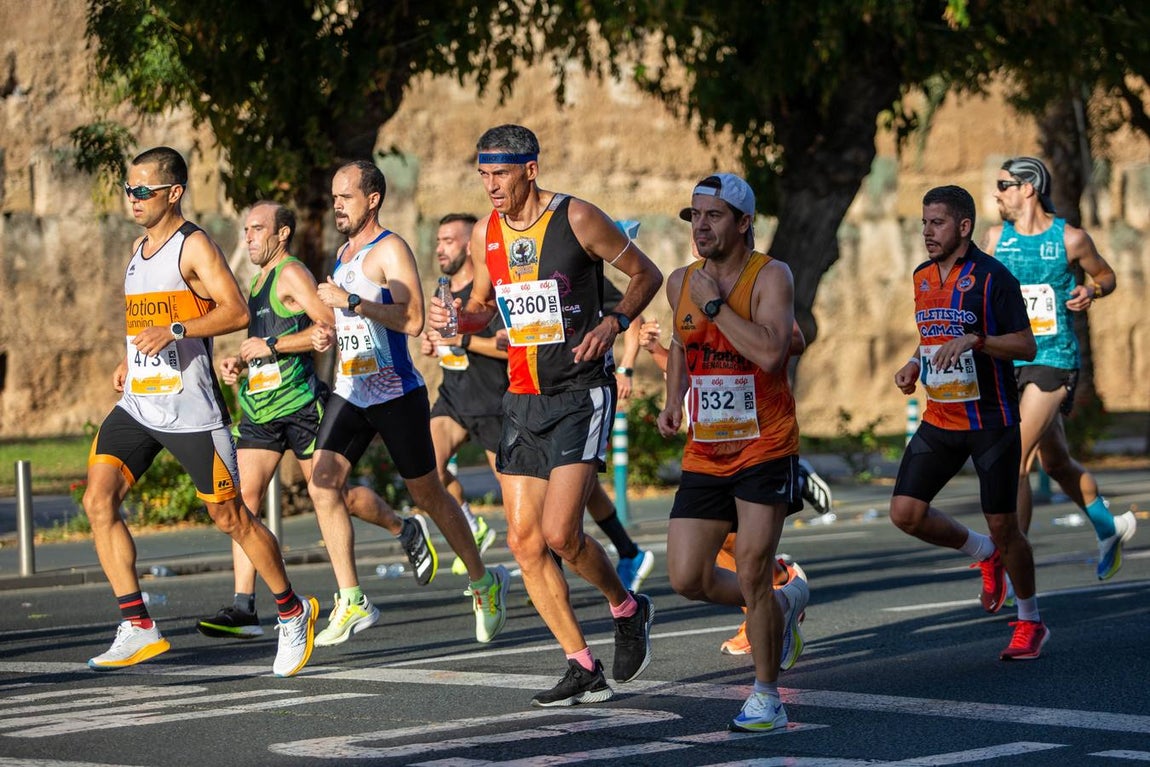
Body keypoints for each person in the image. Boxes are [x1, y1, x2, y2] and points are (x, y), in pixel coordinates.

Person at [429, 124, 662, 707]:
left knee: (562, 534)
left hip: (581, 391)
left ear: (530, 169)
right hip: (521, 395)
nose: (491, 186)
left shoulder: (579, 218)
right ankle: (581, 664)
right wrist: (460, 318)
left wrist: (615, 323)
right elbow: (484, 305)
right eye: (483, 175)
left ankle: (628, 607)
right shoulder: (487, 233)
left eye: (500, 174)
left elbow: (646, 274)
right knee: (524, 543)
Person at [82, 146, 317, 677]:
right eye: (129, 188)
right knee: (99, 501)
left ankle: (291, 610)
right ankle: (138, 626)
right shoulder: (139, 250)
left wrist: (179, 330)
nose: (133, 198)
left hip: (191, 413)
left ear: (174, 193)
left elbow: (234, 310)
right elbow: (143, 317)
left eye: (144, 190)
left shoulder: (193, 246)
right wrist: (128, 362)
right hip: (140, 403)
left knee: (229, 516)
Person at [196, 201, 437, 640]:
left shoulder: (291, 273)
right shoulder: (259, 280)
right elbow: (267, 346)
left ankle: (403, 527)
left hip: (302, 405)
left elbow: (328, 325)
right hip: (261, 411)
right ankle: (243, 605)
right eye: (246, 229)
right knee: (243, 500)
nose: (248, 236)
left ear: (282, 233)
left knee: (334, 496)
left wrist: (269, 344)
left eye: (256, 229)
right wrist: (241, 363)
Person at [308, 160, 509, 648]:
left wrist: (352, 302)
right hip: (352, 389)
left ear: (372, 199)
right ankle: (352, 597)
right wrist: (327, 330)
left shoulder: (389, 249)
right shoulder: (344, 253)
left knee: (428, 496)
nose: (337, 204)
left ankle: (483, 581)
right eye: (334, 196)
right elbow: (355, 324)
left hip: (396, 391)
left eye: (347, 196)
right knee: (322, 481)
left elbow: (414, 319)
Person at [656, 172, 810, 732]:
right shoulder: (681, 282)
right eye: (694, 216)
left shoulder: (771, 276)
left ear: (743, 223)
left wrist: (717, 306)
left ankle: (766, 694)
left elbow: (772, 353)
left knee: (750, 570)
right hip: (707, 449)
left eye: (713, 215)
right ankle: (781, 604)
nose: (700, 226)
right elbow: (680, 343)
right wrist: (673, 400)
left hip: (765, 444)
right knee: (686, 577)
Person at [427, 215, 655, 589]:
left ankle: (618, 565)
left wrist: (626, 367)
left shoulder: (577, 268)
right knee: (434, 471)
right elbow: (487, 321)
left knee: (561, 506)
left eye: (450, 240)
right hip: (497, 396)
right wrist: (447, 334)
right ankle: (614, 555)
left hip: (551, 392)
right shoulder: (484, 285)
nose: (441, 248)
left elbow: (633, 309)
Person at [891, 184, 1047, 662]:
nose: (926, 233)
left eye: (936, 223)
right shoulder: (921, 277)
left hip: (991, 419)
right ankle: (983, 554)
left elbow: (1025, 346)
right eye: (923, 223)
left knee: (1006, 525)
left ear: (963, 226)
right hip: (941, 416)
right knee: (905, 513)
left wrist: (979, 341)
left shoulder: (992, 277)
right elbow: (932, 337)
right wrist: (915, 364)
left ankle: (1030, 620)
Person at [985, 156, 1135, 580]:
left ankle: (1015, 565)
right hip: (1008, 357)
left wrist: (1091, 289)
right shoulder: (997, 238)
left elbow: (1106, 275)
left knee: (1014, 457)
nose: (997, 194)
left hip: (1052, 359)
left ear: (1028, 188)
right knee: (1057, 464)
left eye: (1003, 185)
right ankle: (1111, 528)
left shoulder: (1069, 239)